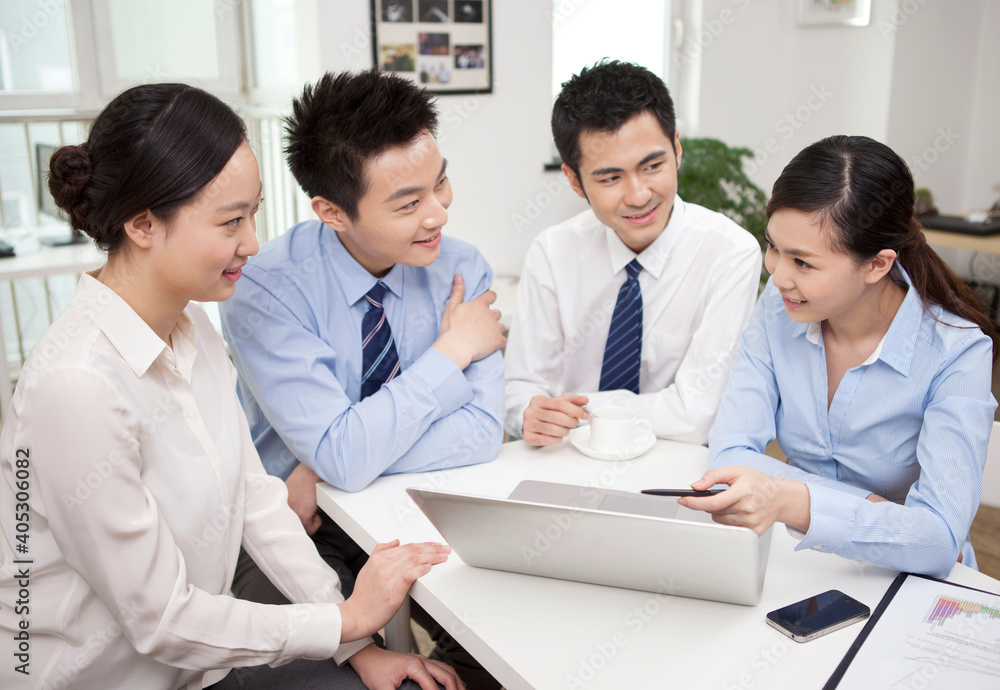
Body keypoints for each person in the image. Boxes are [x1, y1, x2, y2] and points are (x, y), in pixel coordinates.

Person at [0, 83, 462, 690]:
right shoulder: (77, 386)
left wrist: (354, 642)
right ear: (142, 224)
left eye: (254, 212)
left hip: (198, 668)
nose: (252, 242)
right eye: (230, 222)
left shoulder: (191, 325)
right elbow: (161, 618)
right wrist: (344, 617)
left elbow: (257, 502)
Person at [218, 69, 505, 688]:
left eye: (441, 183)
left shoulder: (461, 267)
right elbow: (345, 456)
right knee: (324, 677)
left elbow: (481, 432)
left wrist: (330, 459)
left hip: (420, 504)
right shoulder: (267, 288)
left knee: (508, 642)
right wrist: (450, 354)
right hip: (297, 528)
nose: (438, 215)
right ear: (331, 211)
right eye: (408, 203)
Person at [682, 135, 998, 578]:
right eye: (774, 247)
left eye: (803, 263)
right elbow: (731, 452)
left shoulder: (957, 352)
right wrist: (873, 510)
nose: (778, 275)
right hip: (797, 560)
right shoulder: (779, 306)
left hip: (906, 582)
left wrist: (791, 499)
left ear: (877, 264)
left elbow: (937, 541)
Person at [504, 60, 762, 447]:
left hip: (675, 468)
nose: (639, 196)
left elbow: (697, 415)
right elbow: (520, 391)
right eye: (610, 178)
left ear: (676, 149)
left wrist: (573, 411)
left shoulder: (730, 253)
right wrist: (530, 412)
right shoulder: (552, 251)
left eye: (652, 165)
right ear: (575, 181)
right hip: (565, 462)